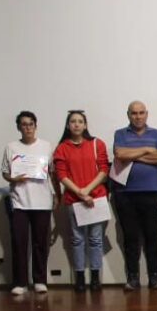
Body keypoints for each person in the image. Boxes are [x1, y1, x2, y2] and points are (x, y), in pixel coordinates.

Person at [111, 100, 157, 290]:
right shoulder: (120, 134)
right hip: (125, 193)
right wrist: (146, 150)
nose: (138, 116)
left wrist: (133, 156)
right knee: (130, 237)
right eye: (134, 113)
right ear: (128, 115)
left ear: (146, 114)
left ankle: (154, 277)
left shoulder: (156, 134)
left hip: (152, 192)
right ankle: (133, 278)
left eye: (141, 113)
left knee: (152, 237)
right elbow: (120, 154)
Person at [2, 111, 56, 295]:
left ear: (35, 126)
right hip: (19, 202)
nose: (28, 128)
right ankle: (20, 283)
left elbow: (52, 173)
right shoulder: (11, 147)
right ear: (19, 127)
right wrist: (14, 178)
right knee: (19, 243)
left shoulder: (46, 146)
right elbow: (5, 172)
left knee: (40, 243)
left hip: (42, 201)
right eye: (24, 124)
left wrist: (56, 195)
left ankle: (40, 280)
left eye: (31, 124)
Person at [54, 110, 109, 292]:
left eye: (80, 121)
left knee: (95, 239)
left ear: (85, 125)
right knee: (77, 240)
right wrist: (80, 193)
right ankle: (79, 277)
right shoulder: (62, 148)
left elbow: (103, 170)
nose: (76, 124)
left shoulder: (97, 144)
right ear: (68, 125)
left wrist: (87, 190)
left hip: (96, 198)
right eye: (73, 121)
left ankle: (95, 277)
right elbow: (61, 175)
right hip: (74, 200)